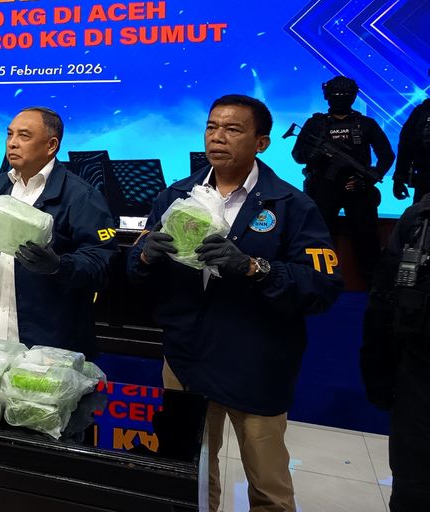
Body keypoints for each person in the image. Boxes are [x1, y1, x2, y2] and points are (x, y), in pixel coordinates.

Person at [129, 94, 342, 512]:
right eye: (212, 127)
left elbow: (322, 286)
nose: (217, 137)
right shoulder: (176, 197)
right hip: (186, 358)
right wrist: (144, 256)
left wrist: (254, 268)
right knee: (187, 476)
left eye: (232, 129)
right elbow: (136, 272)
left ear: (261, 142)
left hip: (257, 360)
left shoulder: (292, 205)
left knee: (268, 488)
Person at [0, 107, 116, 356]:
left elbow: (104, 263)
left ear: (51, 145)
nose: (12, 143)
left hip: (54, 345)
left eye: (24, 136)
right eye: (9, 134)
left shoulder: (81, 196)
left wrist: (58, 266)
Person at [360, 194, 430, 512]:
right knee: (413, 489)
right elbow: (383, 303)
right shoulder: (419, 220)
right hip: (418, 378)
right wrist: (377, 374)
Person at [292, 75, 394, 279]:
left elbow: (387, 156)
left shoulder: (366, 124)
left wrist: (369, 179)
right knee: (318, 238)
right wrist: (314, 154)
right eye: (336, 94)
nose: (340, 98)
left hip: (358, 187)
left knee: (366, 238)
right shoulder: (315, 124)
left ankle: (372, 283)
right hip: (323, 187)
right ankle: (317, 280)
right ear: (327, 96)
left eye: (344, 94)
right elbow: (298, 156)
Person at [393, 91, 430, 203]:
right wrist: (399, 177)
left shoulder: (422, 111)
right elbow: (405, 145)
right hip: (425, 179)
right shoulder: (422, 111)